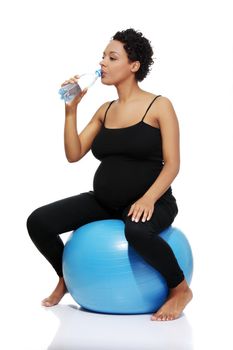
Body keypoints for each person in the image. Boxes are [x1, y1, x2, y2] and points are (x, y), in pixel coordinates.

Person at [26, 28, 192, 321]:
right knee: (39, 222)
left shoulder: (159, 105)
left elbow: (173, 163)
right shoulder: (105, 110)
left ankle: (179, 289)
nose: (102, 62)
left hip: (152, 201)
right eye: (102, 56)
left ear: (134, 66)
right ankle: (64, 277)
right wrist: (70, 111)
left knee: (137, 231)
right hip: (104, 202)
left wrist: (149, 198)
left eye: (111, 57)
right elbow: (73, 153)